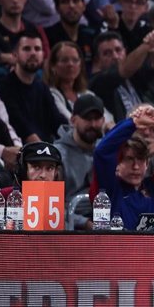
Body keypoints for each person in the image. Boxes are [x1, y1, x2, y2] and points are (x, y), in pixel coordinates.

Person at [91, 104, 154, 230]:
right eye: (129, 159)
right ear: (117, 163)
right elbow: (103, 151)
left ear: (147, 163)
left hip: (151, 249)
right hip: (115, 248)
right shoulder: (107, 188)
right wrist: (134, 123)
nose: (135, 167)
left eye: (141, 160)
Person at [0, 31, 67, 143]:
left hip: (47, 149)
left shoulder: (42, 87)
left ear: (43, 55)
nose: (33, 53)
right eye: (27, 49)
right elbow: (22, 128)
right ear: (15, 55)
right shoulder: (3, 87)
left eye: (37, 49)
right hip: (22, 152)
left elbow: (57, 122)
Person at [54, 94, 105, 230]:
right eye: (87, 119)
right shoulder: (58, 155)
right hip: (71, 226)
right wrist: (84, 223)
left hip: (104, 219)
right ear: (73, 120)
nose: (93, 124)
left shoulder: (107, 151)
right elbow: (52, 206)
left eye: (97, 119)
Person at [44, 41, 113, 124]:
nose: (70, 64)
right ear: (53, 66)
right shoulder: (50, 94)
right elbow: (69, 121)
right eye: (64, 60)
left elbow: (108, 119)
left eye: (75, 60)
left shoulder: (86, 94)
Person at [43, 0, 96, 71]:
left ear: (83, 6)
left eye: (75, 1)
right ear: (57, 8)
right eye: (65, 2)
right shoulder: (48, 36)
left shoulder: (91, 34)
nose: (71, 6)